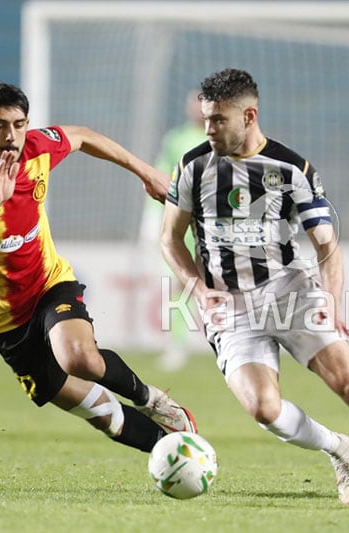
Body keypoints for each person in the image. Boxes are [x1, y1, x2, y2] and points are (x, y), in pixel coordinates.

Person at [160, 68, 349, 507]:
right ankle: (337, 447)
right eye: (206, 119)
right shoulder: (193, 166)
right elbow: (170, 239)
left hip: (290, 291)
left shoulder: (291, 169)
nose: (208, 129)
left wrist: (330, 302)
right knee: (264, 409)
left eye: (218, 120)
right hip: (231, 307)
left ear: (249, 115)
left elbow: (326, 245)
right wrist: (198, 289)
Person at [0, 83, 197, 459]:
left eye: (19, 125)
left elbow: (84, 137)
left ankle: (152, 400)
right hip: (3, 321)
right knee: (103, 415)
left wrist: (145, 172)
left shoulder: (38, 147)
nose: (10, 136)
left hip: (48, 284)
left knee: (79, 358)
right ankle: (178, 453)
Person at [139, 90, 205, 372]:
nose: (197, 109)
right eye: (194, 104)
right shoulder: (175, 139)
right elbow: (161, 176)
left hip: (213, 222)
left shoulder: (222, 138)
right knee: (177, 284)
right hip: (180, 221)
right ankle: (177, 345)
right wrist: (151, 217)